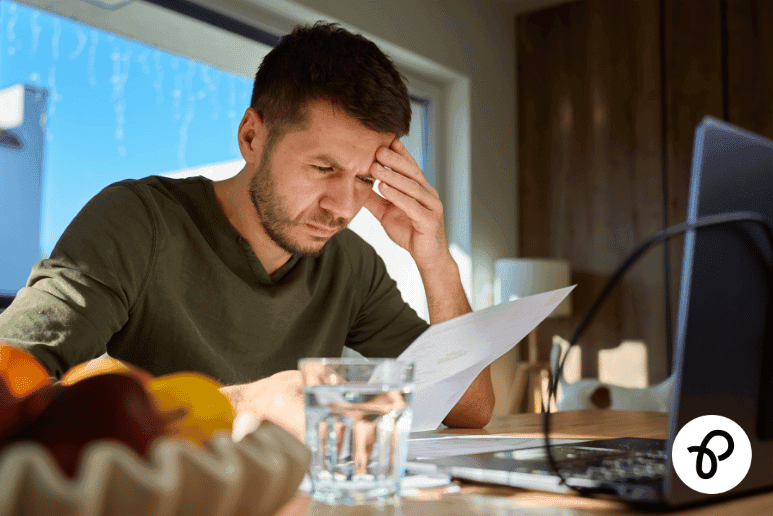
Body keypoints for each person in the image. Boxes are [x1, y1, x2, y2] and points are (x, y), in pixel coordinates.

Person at [0, 22, 494, 440]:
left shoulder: (351, 264)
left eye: (365, 178)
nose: (344, 207)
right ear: (251, 137)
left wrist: (434, 257)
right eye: (323, 168)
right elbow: (9, 382)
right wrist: (248, 402)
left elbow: (469, 408)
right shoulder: (137, 221)